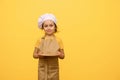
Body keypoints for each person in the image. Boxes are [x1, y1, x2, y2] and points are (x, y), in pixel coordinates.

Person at [33, 13, 65, 80]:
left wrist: (59, 54)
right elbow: (34, 55)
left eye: (51, 25)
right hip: (42, 69)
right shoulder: (40, 40)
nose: (48, 28)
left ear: (55, 27)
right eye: (46, 26)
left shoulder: (58, 40)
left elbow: (63, 56)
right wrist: (39, 55)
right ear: (43, 28)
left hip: (54, 70)